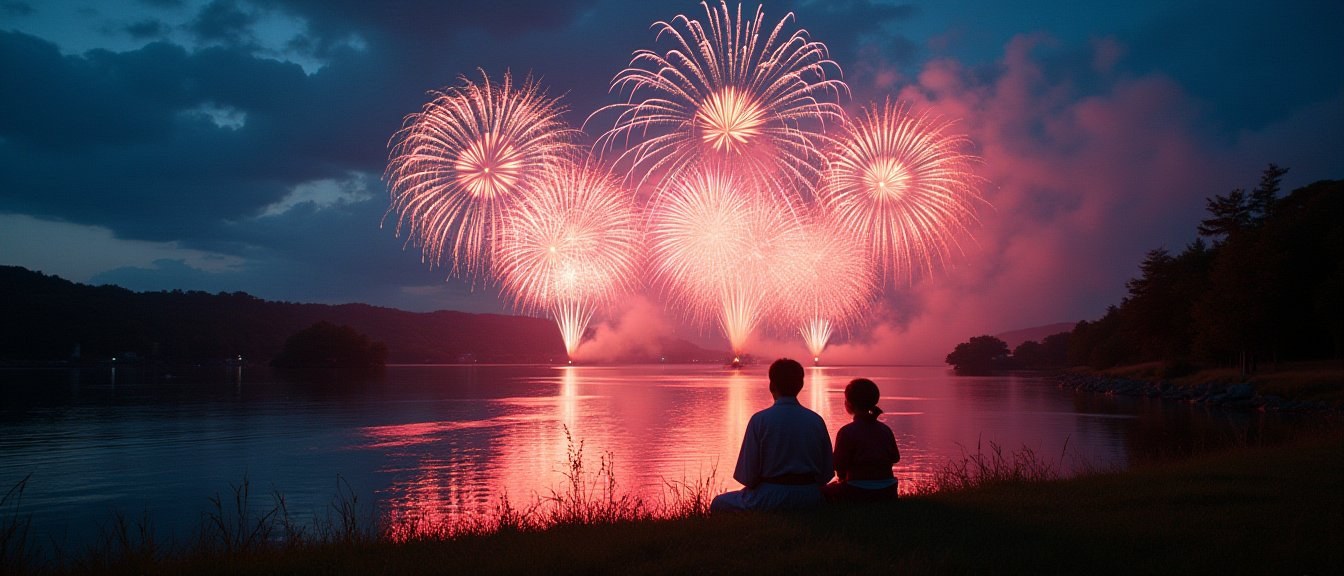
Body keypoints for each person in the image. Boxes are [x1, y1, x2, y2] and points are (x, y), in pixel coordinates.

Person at [710, 358, 833, 512]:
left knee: (719, 502)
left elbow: (748, 477)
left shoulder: (759, 420)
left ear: (771, 385)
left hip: (770, 496)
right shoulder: (816, 420)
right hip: (810, 497)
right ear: (801, 385)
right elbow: (827, 474)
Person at [824, 378, 900, 502]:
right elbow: (895, 457)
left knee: (822, 492)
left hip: (857, 491)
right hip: (888, 491)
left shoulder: (847, 432)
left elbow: (838, 464)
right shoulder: (885, 430)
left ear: (849, 404)